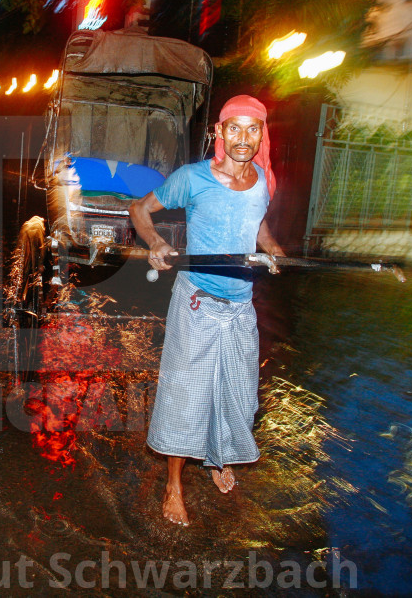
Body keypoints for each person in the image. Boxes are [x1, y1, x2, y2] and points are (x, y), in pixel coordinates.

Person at [128, 94, 285, 526]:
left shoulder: (262, 180)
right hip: (197, 302)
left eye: (253, 129)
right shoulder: (193, 178)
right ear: (218, 132)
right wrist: (156, 242)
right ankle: (174, 486)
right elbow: (139, 209)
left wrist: (270, 248)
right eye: (234, 127)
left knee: (236, 393)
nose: (243, 138)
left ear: (261, 135)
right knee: (186, 396)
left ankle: (219, 457)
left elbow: (259, 223)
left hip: (240, 308)